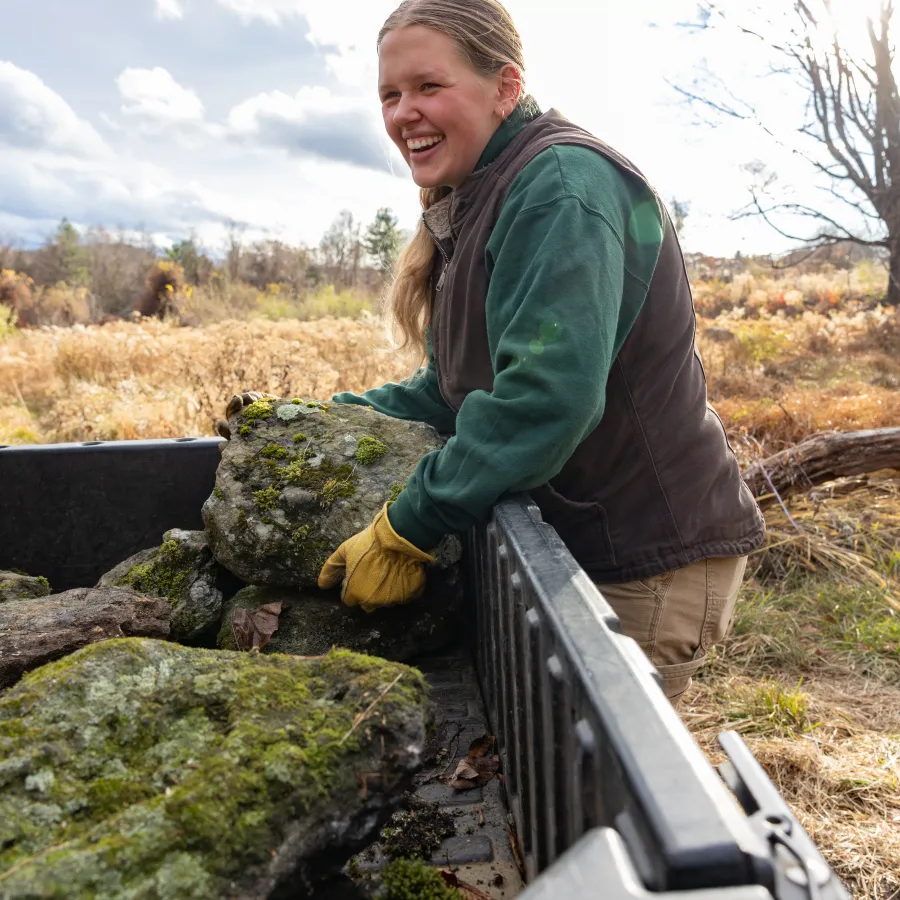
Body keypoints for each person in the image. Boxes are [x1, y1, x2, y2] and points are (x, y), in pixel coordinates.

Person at [221, 0, 765, 705]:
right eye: (389, 95)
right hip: (581, 544)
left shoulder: (560, 189)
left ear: (505, 87)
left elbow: (544, 399)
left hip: (642, 558)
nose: (404, 114)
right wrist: (309, 422)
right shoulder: (486, 192)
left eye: (428, 86)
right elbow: (448, 389)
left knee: (596, 772)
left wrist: (408, 526)